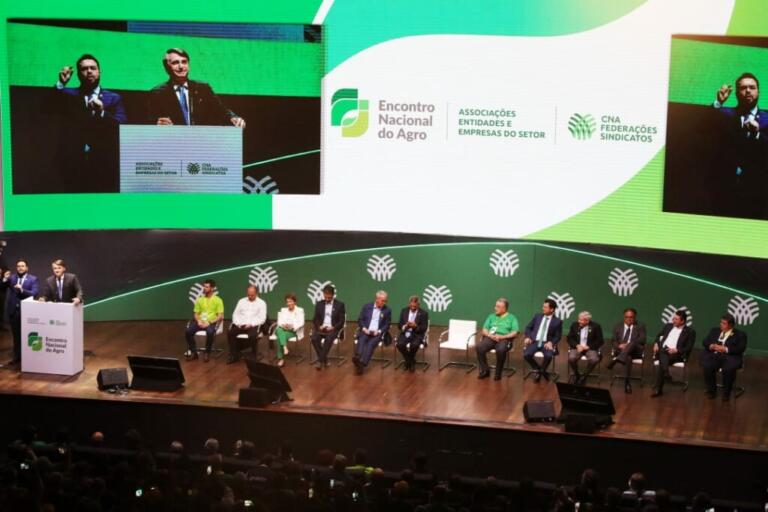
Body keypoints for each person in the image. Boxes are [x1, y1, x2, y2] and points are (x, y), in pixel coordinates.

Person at [54, 54, 126, 192]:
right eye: (84, 69)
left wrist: (102, 113)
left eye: (93, 68)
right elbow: (47, 107)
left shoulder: (114, 98)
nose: (89, 71)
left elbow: (121, 125)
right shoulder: (68, 95)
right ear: (79, 73)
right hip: (73, 164)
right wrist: (61, 84)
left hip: (104, 164)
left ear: (99, 72)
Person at [712, 72, 768, 219]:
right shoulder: (725, 113)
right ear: (736, 93)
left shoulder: (767, 119)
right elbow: (704, 126)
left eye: (752, 87)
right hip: (723, 188)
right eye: (743, 88)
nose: (748, 91)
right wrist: (718, 103)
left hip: (758, 190)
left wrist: (757, 135)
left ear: (758, 91)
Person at [148, 48, 246, 127]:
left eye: (184, 62)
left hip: (200, 142)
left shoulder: (203, 88)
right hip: (173, 144)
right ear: (166, 67)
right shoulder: (157, 93)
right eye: (175, 63)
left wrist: (234, 117)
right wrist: (156, 124)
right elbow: (148, 121)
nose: (181, 66)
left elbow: (221, 110)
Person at [700, 313, 747, 401]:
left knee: (728, 369)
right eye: (721, 322)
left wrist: (725, 349)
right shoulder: (714, 331)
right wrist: (711, 346)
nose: (721, 324)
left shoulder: (740, 335)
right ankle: (711, 391)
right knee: (707, 365)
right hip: (715, 356)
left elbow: (740, 349)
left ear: (731, 325)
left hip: (730, 357)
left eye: (724, 323)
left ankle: (726, 393)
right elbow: (705, 341)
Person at [0, 260, 39, 365]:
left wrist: (22, 290)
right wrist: (4, 279)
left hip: (27, 311)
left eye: (22, 266)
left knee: (28, 335)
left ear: (27, 267)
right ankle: (17, 357)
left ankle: (29, 357)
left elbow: (34, 293)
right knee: (16, 336)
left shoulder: (33, 279)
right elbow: (2, 288)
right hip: (13, 310)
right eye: (18, 266)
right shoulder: (12, 278)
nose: (20, 268)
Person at [651, 310, 695, 398]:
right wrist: (656, 343)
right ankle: (665, 374)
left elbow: (689, 347)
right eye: (673, 318)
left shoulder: (690, 332)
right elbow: (658, 336)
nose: (673, 321)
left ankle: (659, 388)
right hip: (663, 351)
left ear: (682, 321)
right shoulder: (668, 326)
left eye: (676, 319)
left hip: (676, 354)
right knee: (663, 353)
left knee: (662, 361)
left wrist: (677, 350)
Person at [475, 298, 519, 380]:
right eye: (495, 306)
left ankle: (498, 373)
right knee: (479, 347)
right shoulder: (491, 316)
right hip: (491, 337)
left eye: (498, 306)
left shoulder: (512, 318)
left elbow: (515, 332)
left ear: (504, 308)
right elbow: (484, 329)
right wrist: (489, 335)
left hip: (504, 339)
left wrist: (502, 336)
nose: (495, 308)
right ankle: (485, 370)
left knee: (501, 350)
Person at [606, 308, 647, 394]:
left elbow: (642, 339)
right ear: (624, 317)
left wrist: (629, 344)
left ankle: (617, 359)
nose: (629, 319)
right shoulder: (617, 326)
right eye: (626, 317)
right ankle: (627, 383)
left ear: (635, 317)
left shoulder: (640, 326)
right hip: (622, 351)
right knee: (628, 358)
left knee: (632, 343)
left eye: (631, 317)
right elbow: (613, 341)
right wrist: (619, 346)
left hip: (636, 351)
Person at [523, 299, 563, 382]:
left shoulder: (557, 321)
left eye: (545, 307)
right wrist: (527, 337)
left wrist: (551, 342)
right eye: (543, 306)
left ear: (552, 309)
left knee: (548, 356)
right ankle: (541, 371)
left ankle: (539, 373)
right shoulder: (537, 316)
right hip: (535, 341)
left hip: (546, 343)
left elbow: (558, 336)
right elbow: (528, 328)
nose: (543, 308)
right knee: (527, 354)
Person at [353, 291, 392, 375]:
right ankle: (358, 357)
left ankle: (362, 363)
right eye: (383, 300)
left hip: (377, 333)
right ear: (377, 299)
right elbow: (360, 320)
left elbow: (387, 324)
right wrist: (364, 329)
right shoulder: (367, 307)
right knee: (362, 339)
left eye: (385, 301)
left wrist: (379, 331)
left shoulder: (387, 310)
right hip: (366, 330)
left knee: (371, 344)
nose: (385, 303)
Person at [184, 279, 224, 362]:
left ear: (212, 288)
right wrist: (198, 321)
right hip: (200, 322)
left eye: (207, 287)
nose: (204, 288)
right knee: (188, 331)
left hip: (211, 322)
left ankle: (207, 353)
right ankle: (194, 352)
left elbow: (220, 316)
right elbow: (196, 313)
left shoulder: (218, 300)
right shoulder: (200, 299)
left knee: (210, 332)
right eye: (204, 286)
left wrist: (209, 322)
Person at [226, 285, 266, 364]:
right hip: (241, 324)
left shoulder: (261, 303)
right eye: (248, 295)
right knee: (230, 333)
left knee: (253, 336)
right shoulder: (241, 301)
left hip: (253, 325)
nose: (250, 296)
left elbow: (262, 318)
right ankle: (234, 355)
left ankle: (254, 355)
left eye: (252, 295)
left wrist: (251, 324)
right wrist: (238, 323)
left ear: (257, 293)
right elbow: (235, 314)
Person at [310, 284, 346, 370]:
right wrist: (319, 326)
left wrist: (333, 328)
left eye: (329, 298)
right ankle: (324, 359)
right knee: (314, 338)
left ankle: (320, 361)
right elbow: (315, 319)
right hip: (321, 328)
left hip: (333, 329)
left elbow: (341, 321)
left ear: (333, 295)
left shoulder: (340, 305)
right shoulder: (319, 304)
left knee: (329, 338)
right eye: (325, 297)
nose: (327, 299)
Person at [566, 311, 604, 386]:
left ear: (587, 320)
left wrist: (589, 346)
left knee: (594, 359)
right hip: (577, 347)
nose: (578, 321)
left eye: (581, 320)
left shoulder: (596, 326)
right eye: (579, 319)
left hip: (590, 348)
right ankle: (577, 375)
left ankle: (584, 377)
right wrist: (577, 345)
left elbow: (600, 341)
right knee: (571, 358)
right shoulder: (574, 325)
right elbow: (569, 338)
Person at [396, 295, 429, 372]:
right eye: (411, 306)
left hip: (417, 334)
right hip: (405, 333)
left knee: (414, 345)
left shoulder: (424, 313)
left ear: (418, 305)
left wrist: (415, 326)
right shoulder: (404, 311)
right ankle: (410, 361)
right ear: (409, 304)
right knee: (399, 344)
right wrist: (404, 326)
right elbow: (399, 325)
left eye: (415, 306)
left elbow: (424, 328)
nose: (413, 308)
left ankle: (408, 363)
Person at [275, 293, 305, 367]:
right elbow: (279, 321)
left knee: (280, 336)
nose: (289, 303)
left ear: (294, 302)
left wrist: (292, 327)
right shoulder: (283, 310)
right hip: (283, 329)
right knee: (279, 330)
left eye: (290, 301)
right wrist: (284, 325)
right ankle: (285, 347)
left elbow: (301, 322)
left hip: (293, 331)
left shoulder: (300, 310)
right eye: (287, 302)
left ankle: (281, 358)